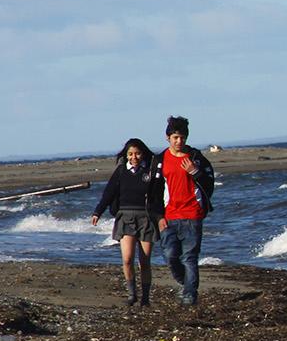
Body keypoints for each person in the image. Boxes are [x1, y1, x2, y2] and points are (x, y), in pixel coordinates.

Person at [90, 138, 163, 306]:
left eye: (137, 153)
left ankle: (145, 298)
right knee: (127, 259)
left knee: (145, 261)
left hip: (146, 218)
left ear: (142, 153)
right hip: (125, 218)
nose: (134, 157)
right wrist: (97, 212)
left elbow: (159, 196)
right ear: (126, 155)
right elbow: (108, 193)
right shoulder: (121, 171)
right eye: (130, 154)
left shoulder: (150, 171)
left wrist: (161, 217)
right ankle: (132, 295)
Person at [153, 115, 215, 306]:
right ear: (168, 138)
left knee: (189, 257)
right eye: (175, 138)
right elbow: (154, 192)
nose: (179, 141)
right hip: (169, 217)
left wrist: (195, 172)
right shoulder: (160, 159)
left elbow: (209, 184)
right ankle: (184, 283)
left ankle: (190, 295)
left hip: (192, 216)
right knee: (170, 255)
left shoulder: (196, 158)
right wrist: (158, 217)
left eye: (182, 138)